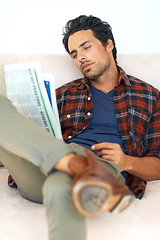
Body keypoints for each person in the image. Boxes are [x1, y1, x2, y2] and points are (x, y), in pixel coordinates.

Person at [1, 14, 160, 240]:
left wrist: (126, 161)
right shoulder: (62, 93)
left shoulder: (149, 96)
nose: (80, 57)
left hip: (99, 170)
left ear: (109, 45)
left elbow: (158, 163)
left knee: (60, 187)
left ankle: (67, 160)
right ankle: (62, 157)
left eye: (86, 47)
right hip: (39, 170)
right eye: (74, 54)